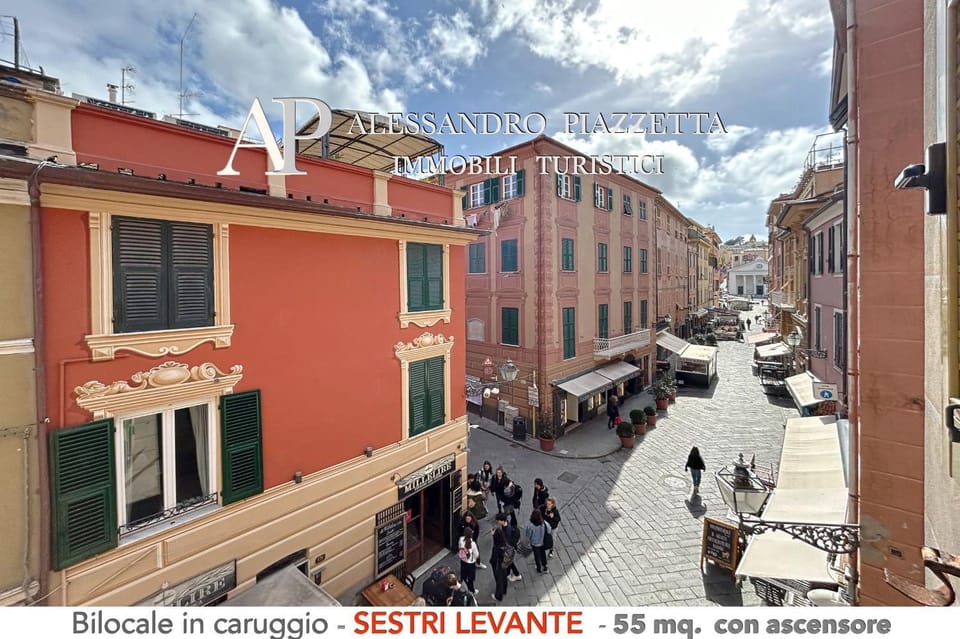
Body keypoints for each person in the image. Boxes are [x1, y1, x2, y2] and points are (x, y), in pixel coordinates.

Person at [524, 509, 549, 573]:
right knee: (543, 554)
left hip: (535, 544)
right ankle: (545, 567)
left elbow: (528, 535)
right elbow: (549, 529)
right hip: (542, 542)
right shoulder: (543, 522)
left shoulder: (530, 526)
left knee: (537, 556)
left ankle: (539, 568)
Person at [457, 526, 480, 596]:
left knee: (463, 576)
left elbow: (459, 547)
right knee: (470, 579)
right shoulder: (473, 544)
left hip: (463, 561)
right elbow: (476, 554)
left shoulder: (461, 539)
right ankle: (471, 590)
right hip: (470, 563)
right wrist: (475, 559)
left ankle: (462, 588)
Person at [490, 525, 509, 602]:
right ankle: (504, 590)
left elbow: (494, 559)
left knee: (499, 580)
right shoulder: (504, 542)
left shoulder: (496, 548)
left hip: (498, 565)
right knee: (504, 576)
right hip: (504, 562)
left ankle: (498, 596)